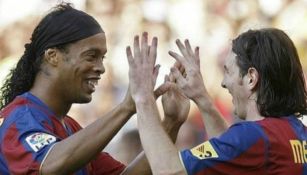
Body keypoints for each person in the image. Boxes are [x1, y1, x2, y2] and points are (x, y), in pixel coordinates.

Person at [0, 3, 190, 175]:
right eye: (91, 56)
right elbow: (49, 165)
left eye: (102, 58)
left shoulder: (71, 128)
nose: (101, 68)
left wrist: (170, 124)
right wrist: (126, 107)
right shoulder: (19, 118)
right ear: (53, 56)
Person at [127, 28, 307, 174]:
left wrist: (143, 98)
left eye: (228, 71)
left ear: (251, 78)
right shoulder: (297, 132)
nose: (223, 82)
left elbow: (170, 171)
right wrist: (202, 99)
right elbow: (232, 153)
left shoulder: (257, 136)